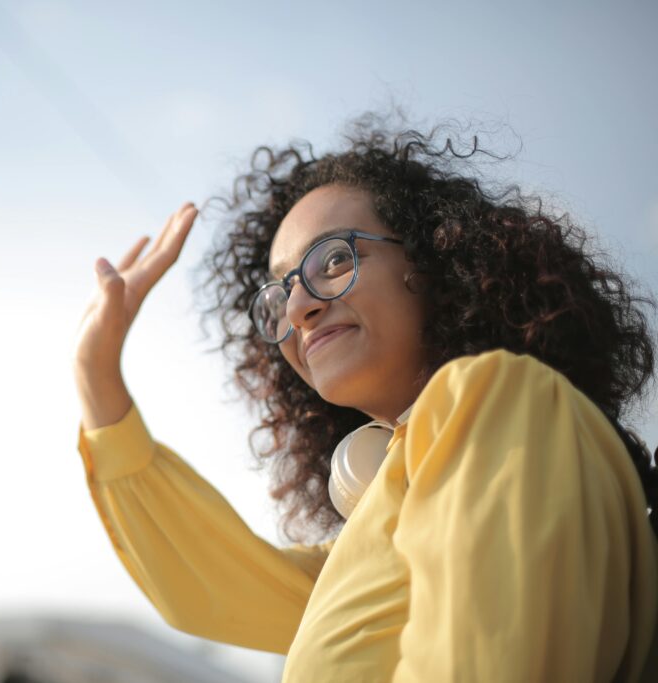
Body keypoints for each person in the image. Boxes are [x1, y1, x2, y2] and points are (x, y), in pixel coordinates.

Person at [73, 117, 658, 681]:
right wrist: (96, 375)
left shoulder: (503, 398)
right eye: (279, 294)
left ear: (432, 262)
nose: (299, 306)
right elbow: (207, 586)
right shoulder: (370, 541)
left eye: (333, 259)